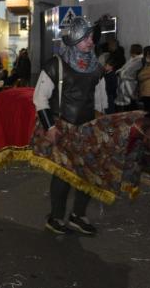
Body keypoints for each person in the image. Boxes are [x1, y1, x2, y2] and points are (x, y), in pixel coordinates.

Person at [33, 16, 106, 235]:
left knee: (88, 175)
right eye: (86, 38)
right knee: (63, 175)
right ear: (74, 39)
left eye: (91, 38)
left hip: (88, 129)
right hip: (63, 128)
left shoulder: (95, 68)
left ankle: (78, 216)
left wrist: (101, 125)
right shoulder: (56, 65)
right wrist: (50, 127)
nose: (91, 42)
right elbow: (40, 98)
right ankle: (56, 218)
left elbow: (101, 100)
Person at [115, 44, 143, 112]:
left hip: (131, 86)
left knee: (131, 106)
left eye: (131, 50)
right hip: (125, 85)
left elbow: (129, 74)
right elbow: (123, 69)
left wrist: (121, 73)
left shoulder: (139, 61)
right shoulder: (132, 59)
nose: (130, 52)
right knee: (127, 107)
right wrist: (120, 72)